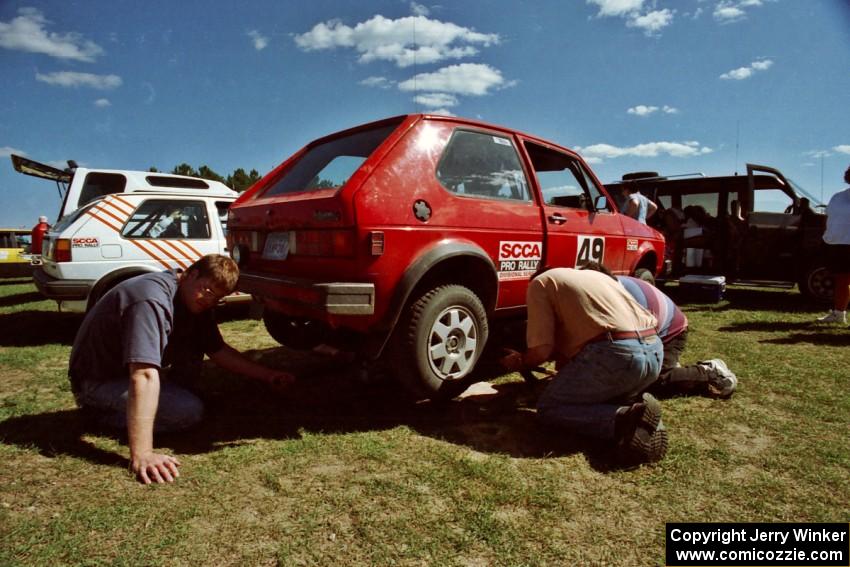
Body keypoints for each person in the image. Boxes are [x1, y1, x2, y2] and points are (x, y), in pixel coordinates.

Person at [69, 254, 295, 484]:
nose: (209, 300)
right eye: (207, 291)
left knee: (193, 351)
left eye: (217, 297)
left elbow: (217, 351)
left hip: (125, 373)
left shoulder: (193, 300)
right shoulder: (151, 299)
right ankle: (100, 415)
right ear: (190, 274)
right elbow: (144, 374)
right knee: (188, 412)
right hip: (97, 380)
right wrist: (143, 454)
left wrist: (269, 375)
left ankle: (155, 402)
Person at [499, 267, 667, 464]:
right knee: (600, 397)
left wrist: (520, 361)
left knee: (550, 407)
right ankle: (646, 424)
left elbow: (541, 351)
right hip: (654, 350)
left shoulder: (540, 283)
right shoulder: (596, 278)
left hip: (617, 355)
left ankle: (625, 420)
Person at [583, 262, 737, 398]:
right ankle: (671, 366)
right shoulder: (612, 289)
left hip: (671, 333)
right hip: (654, 328)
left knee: (654, 380)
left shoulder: (622, 300)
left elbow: (632, 350)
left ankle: (709, 372)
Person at [817, 165, 850, 324]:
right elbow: (829, 218)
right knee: (842, 281)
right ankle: (839, 314)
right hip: (836, 245)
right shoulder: (837, 197)